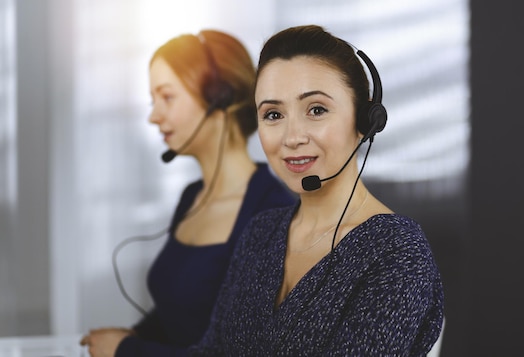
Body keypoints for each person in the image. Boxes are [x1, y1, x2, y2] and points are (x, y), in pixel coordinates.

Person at [190, 24, 444, 356]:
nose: (292, 137)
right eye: (273, 114)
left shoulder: (397, 251)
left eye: (316, 110)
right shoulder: (260, 233)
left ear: (365, 120)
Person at [79, 29, 295, 357]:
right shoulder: (191, 197)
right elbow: (182, 308)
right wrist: (134, 335)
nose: (153, 116)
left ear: (218, 97)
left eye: (167, 97)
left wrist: (127, 350)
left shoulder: (272, 211)